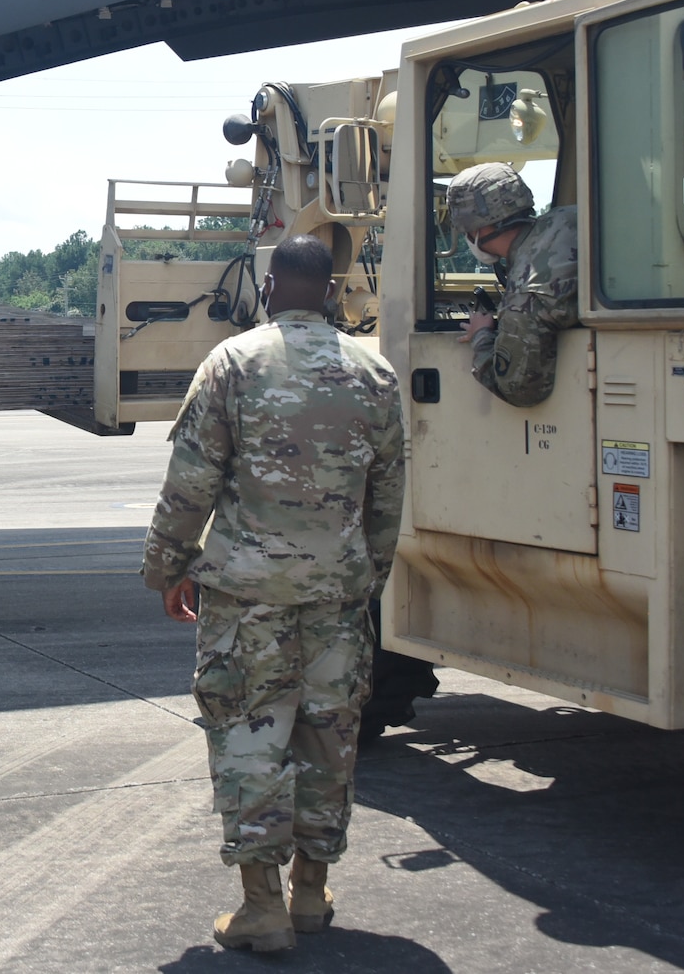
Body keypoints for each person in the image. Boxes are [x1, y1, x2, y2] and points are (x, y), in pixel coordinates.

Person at [141, 234, 404, 952]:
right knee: (330, 735)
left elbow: (191, 481)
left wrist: (168, 568)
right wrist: (363, 576)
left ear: (268, 283)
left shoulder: (234, 363)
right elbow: (388, 498)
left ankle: (263, 907)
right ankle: (311, 893)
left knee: (249, 732)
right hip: (338, 596)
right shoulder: (374, 372)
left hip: (246, 598)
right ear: (329, 288)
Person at [450, 162, 578, 407]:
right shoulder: (567, 218)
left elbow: (519, 389)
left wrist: (481, 336)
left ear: (478, 228)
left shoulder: (524, 294)